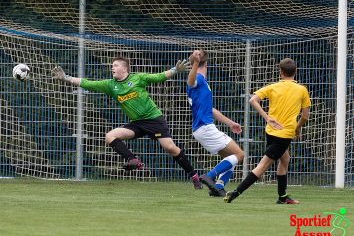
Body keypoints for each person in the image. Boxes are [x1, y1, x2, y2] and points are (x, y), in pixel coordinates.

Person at [52, 57, 203, 189]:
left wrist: (175, 70)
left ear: (124, 69)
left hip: (154, 120)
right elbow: (87, 83)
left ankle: (194, 176)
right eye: (112, 65)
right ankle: (133, 160)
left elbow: (159, 77)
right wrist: (66, 77)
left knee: (170, 148)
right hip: (136, 123)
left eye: (116, 65)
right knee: (110, 136)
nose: (112, 67)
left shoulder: (137, 78)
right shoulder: (110, 85)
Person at [224, 57, 311, 204]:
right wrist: (297, 129)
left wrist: (267, 118)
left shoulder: (273, 87)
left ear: (280, 73)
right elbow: (305, 116)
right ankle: (236, 192)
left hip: (270, 131)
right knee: (263, 165)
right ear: (295, 72)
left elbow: (253, 100)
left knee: (285, 159)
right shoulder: (302, 90)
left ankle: (282, 197)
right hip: (284, 134)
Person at [186, 50, 244, 197]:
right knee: (239, 154)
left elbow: (211, 110)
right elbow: (190, 81)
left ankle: (218, 188)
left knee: (229, 158)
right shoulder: (198, 78)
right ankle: (209, 176)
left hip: (201, 129)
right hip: (205, 127)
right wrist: (196, 63)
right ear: (206, 64)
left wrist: (230, 123)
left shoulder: (203, 83)